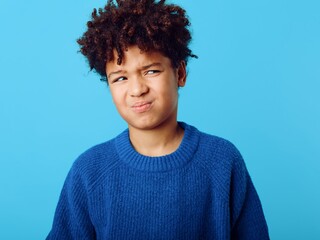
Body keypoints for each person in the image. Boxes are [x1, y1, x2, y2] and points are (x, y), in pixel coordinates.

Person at [46, 0, 270, 239]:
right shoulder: (89, 170)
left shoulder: (222, 161)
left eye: (151, 71)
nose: (137, 89)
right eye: (120, 78)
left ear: (180, 73)